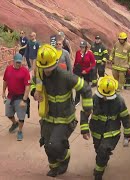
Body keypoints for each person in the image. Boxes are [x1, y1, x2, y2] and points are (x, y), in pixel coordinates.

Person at [33, 44, 93, 177]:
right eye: (44, 68)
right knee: (47, 145)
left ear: (55, 63)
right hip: (48, 117)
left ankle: (65, 158)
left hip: (65, 119)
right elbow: (33, 83)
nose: (46, 71)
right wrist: (34, 92)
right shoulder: (39, 73)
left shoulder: (65, 76)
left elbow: (86, 89)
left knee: (55, 145)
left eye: (48, 68)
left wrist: (86, 111)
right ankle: (54, 168)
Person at [90, 76, 130, 180]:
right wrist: (84, 127)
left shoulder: (119, 101)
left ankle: (98, 174)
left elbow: (125, 118)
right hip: (97, 130)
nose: (104, 98)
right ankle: (103, 158)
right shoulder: (94, 98)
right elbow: (86, 112)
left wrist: (127, 135)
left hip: (112, 132)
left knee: (102, 150)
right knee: (99, 149)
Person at [2, 53, 30, 141]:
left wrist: (24, 100)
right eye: (17, 62)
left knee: (21, 116)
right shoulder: (8, 69)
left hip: (21, 97)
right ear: (13, 61)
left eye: (20, 62)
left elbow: (27, 86)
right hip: (11, 95)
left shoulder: (25, 71)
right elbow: (5, 80)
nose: (19, 64)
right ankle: (15, 123)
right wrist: (3, 91)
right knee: (8, 113)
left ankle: (20, 131)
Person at [73, 40, 96, 106]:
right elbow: (75, 62)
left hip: (86, 72)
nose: (82, 48)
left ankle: (86, 99)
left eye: (83, 47)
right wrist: (74, 70)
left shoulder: (90, 53)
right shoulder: (77, 53)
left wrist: (87, 70)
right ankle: (77, 100)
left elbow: (93, 63)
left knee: (86, 86)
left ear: (86, 47)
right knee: (77, 85)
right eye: (81, 47)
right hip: (78, 71)